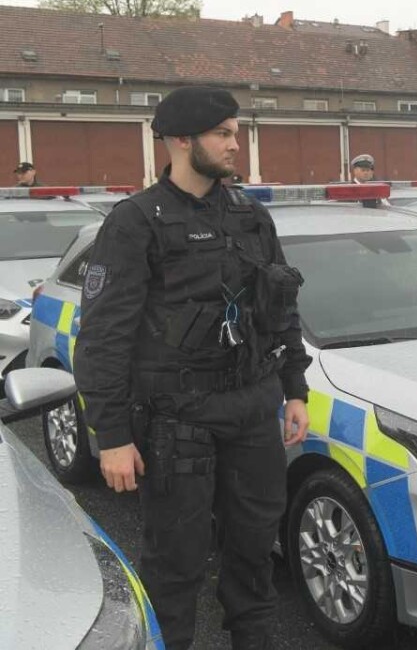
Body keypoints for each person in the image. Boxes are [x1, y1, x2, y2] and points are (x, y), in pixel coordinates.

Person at [72, 86, 312, 650]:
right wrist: (112, 436)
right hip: (177, 418)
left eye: (236, 133)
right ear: (182, 140)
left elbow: (281, 305)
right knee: (175, 563)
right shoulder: (136, 222)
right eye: (222, 134)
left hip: (252, 410)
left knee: (254, 550)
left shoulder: (251, 215)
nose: (235, 145)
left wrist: (295, 387)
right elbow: (104, 338)